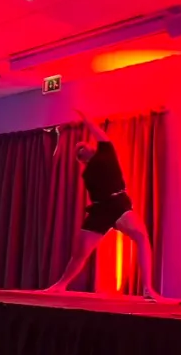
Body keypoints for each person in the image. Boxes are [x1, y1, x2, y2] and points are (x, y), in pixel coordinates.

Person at [45, 109, 162, 300]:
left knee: (141, 236)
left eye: (84, 145)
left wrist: (84, 116)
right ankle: (61, 284)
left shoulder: (106, 151)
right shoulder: (87, 172)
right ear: (81, 160)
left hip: (118, 203)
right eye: (79, 150)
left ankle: (148, 287)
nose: (82, 147)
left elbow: (97, 132)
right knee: (80, 253)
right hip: (100, 209)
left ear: (93, 147)